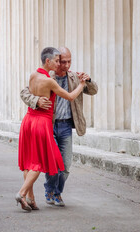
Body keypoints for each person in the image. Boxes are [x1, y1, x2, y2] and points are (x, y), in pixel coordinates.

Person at [20, 47, 98, 207]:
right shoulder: (47, 76)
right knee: (50, 162)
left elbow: (93, 91)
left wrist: (87, 81)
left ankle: (53, 192)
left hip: (66, 125)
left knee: (66, 165)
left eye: (69, 61)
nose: (66, 64)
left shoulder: (75, 77)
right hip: (48, 125)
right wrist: (36, 100)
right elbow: (24, 93)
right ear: (55, 61)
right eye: (62, 61)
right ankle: (50, 192)